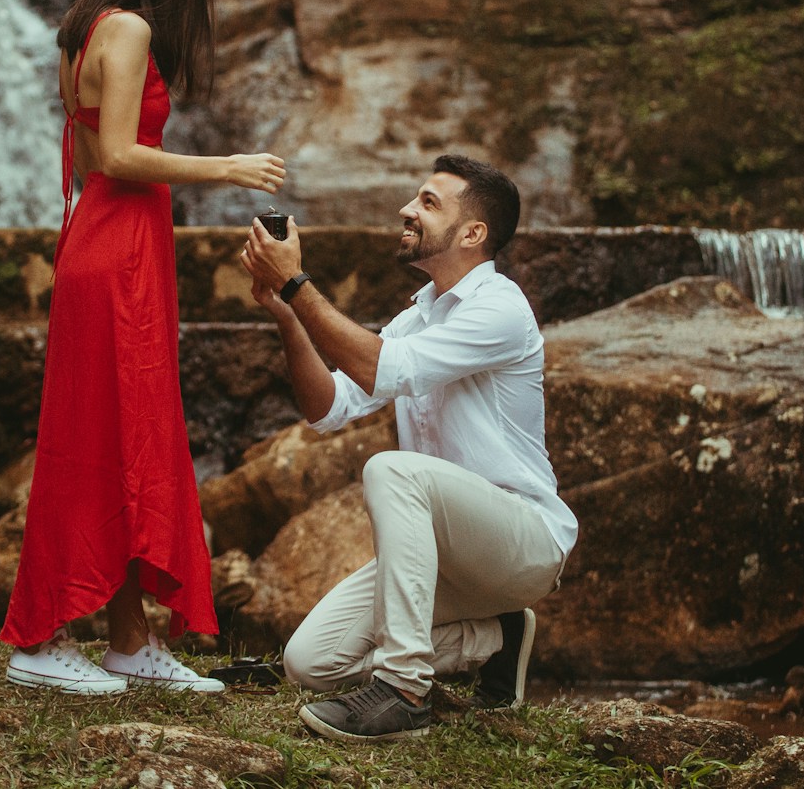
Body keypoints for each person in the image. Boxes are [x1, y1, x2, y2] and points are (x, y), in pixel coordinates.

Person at [0, 0, 286, 695]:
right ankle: (39, 637)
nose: (206, 3)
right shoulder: (126, 29)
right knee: (92, 443)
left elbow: (94, 161)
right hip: (117, 256)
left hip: (115, 247)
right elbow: (119, 155)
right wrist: (227, 167)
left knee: (130, 443)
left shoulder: (82, 30)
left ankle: (130, 642)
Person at [239, 155, 576, 741]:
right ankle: (496, 637)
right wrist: (286, 310)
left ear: (473, 234)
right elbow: (329, 409)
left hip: (523, 541)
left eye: (427, 202)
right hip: (448, 558)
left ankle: (403, 691)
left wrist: (300, 282)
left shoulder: (500, 307)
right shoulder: (419, 316)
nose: (406, 210)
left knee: (393, 470)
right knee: (310, 663)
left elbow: (379, 366)